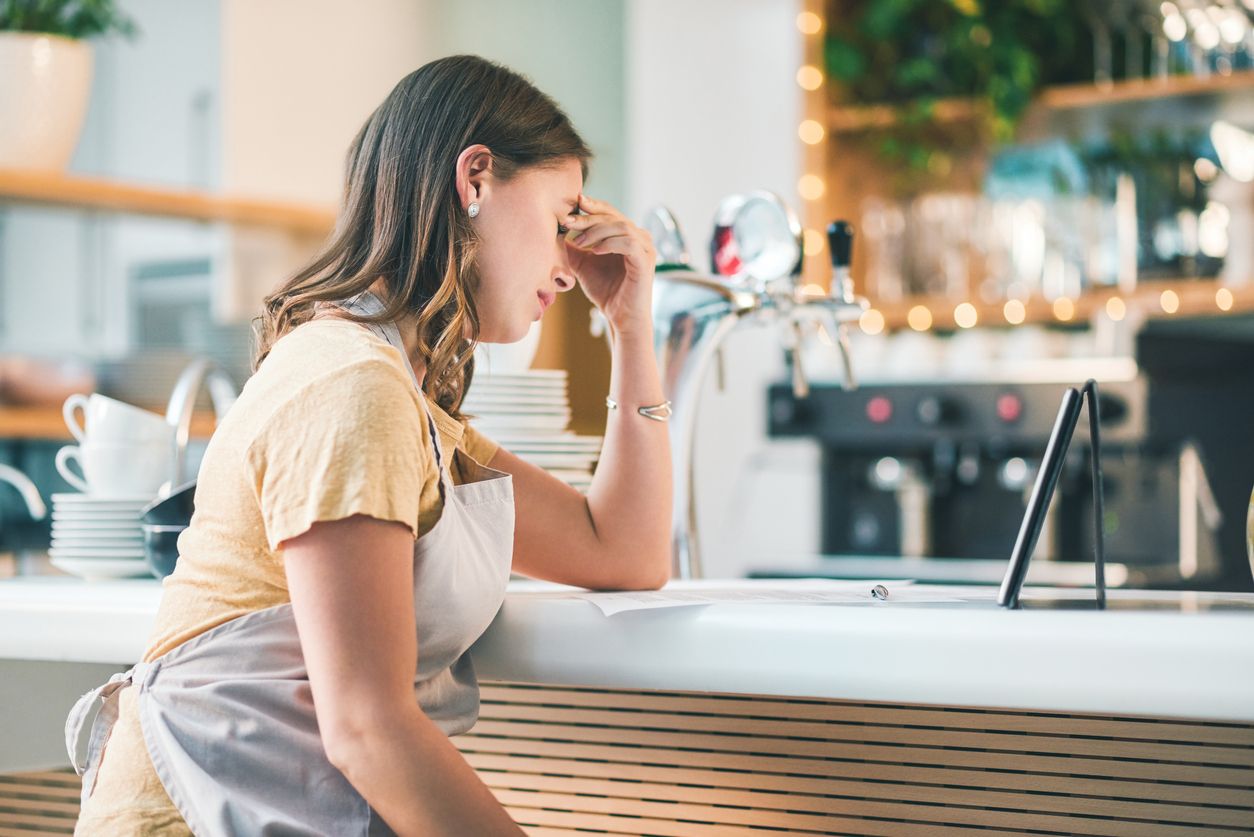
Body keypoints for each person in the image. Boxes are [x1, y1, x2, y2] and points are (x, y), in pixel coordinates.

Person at [68, 54, 672, 836]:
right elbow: (367, 727)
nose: (567, 268)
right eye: (561, 222)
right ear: (476, 179)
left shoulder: (396, 394)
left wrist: (629, 322)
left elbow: (623, 549)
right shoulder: (353, 385)